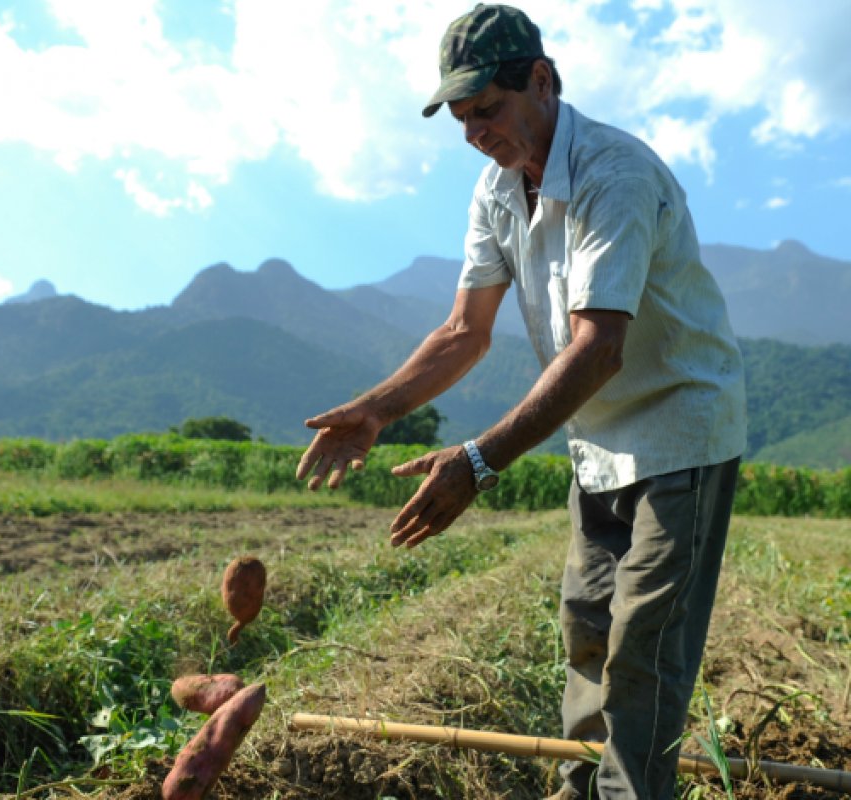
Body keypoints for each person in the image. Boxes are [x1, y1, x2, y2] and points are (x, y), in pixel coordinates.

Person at [295, 4, 747, 799]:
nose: (475, 133)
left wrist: (477, 462)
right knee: (587, 633)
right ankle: (580, 789)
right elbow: (463, 331)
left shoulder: (613, 174)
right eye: (462, 119)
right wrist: (376, 409)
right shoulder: (498, 188)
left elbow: (599, 347)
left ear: (541, 81)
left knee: (644, 654)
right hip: (595, 442)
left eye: (488, 110)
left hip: (680, 433)